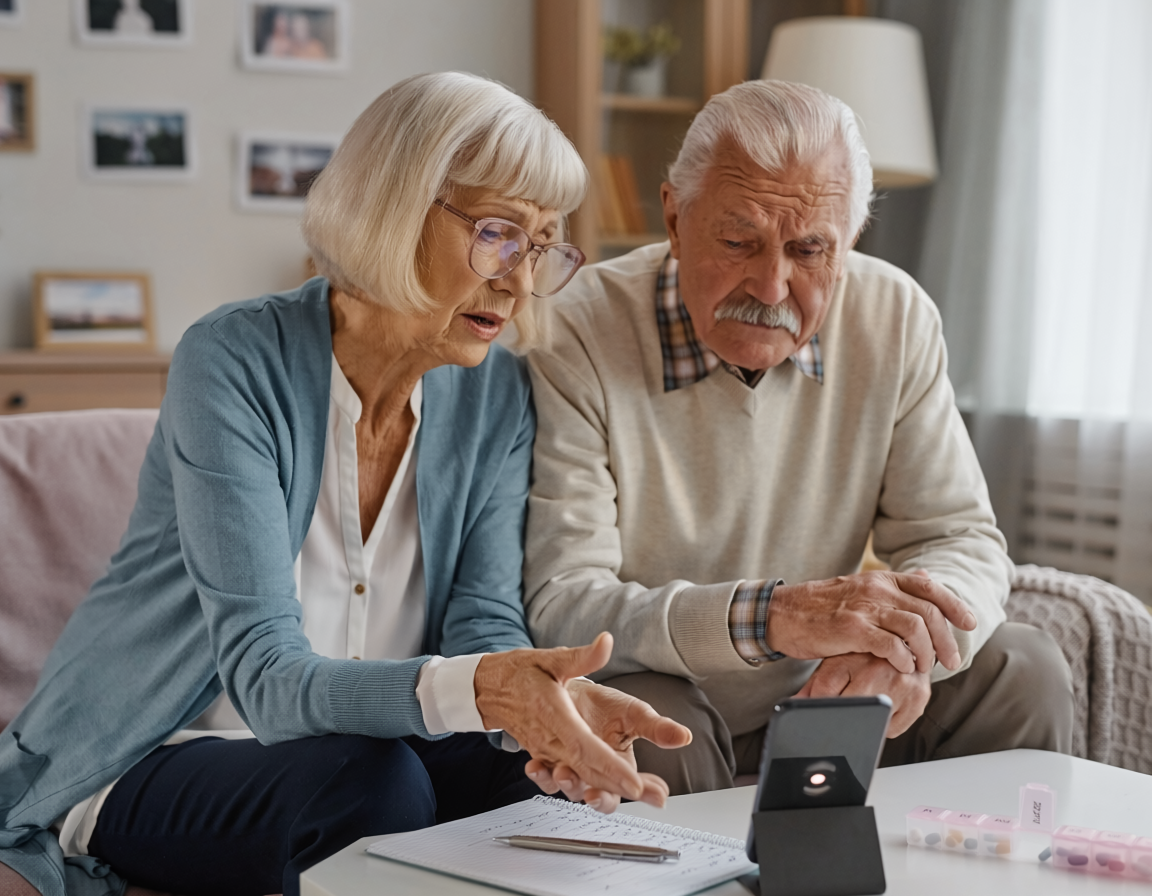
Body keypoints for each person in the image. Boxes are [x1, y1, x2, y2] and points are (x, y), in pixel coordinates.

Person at [0, 72, 691, 896]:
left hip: (375, 744)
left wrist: (551, 704)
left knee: (531, 778)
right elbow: (266, 678)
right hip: (157, 748)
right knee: (374, 787)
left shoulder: (495, 396)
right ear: (394, 209)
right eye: (497, 233)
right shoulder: (232, 362)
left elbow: (482, 621)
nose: (516, 279)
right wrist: (485, 692)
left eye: (539, 246)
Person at [524, 79, 1074, 795]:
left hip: (833, 692)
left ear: (849, 241)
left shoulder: (895, 316)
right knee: (646, 719)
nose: (772, 286)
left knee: (1023, 668)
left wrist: (903, 651)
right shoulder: (576, 327)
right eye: (737, 242)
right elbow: (565, 601)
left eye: (810, 249)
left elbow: (959, 536)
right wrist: (770, 618)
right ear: (674, 218)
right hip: (670, 687)